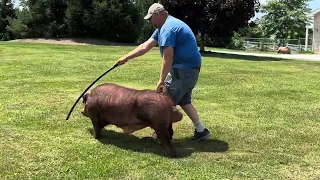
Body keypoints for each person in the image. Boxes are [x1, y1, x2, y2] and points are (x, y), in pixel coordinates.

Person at [116, 3, 210, 141]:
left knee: (162, 102)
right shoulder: (164, 27)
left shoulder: (168, 28)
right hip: (189, 71)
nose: (150, 22)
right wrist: (126, 58)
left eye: (150, 19)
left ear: (157, 15)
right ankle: (201, 130)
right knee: (184, 101)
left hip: (183, 70)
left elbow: (168, 57)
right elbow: (146, 45)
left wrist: (161, 80)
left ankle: (162, 136)